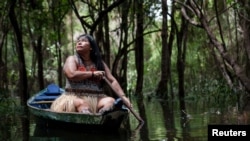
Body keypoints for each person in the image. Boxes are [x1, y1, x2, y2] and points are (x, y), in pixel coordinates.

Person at [50, 34, 131, 115]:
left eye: (84, 41)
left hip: (97, 98)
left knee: (111, 101)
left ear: (91, 47)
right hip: (74, 97)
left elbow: (112, 80)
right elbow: (71, 74)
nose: (79, 43)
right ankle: (87, 116)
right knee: (82, 103)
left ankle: (101, 117)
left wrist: (123, 97)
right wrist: (92, 74)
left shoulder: (99, 63)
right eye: (78, 41)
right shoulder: (72, 59)